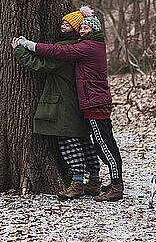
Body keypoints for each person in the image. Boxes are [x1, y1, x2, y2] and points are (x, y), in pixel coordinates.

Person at [16, 10, 124, 202]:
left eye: (85, 27)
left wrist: (24, 47)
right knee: (90, 142)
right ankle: (95, 180)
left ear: (94, 30)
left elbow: (54, 54)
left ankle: (115, 186)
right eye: (80, 27)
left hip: (94, 103)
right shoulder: (85, 44)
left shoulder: (86, 47)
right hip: (87, 103)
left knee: (102, 145)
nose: (82, 31)